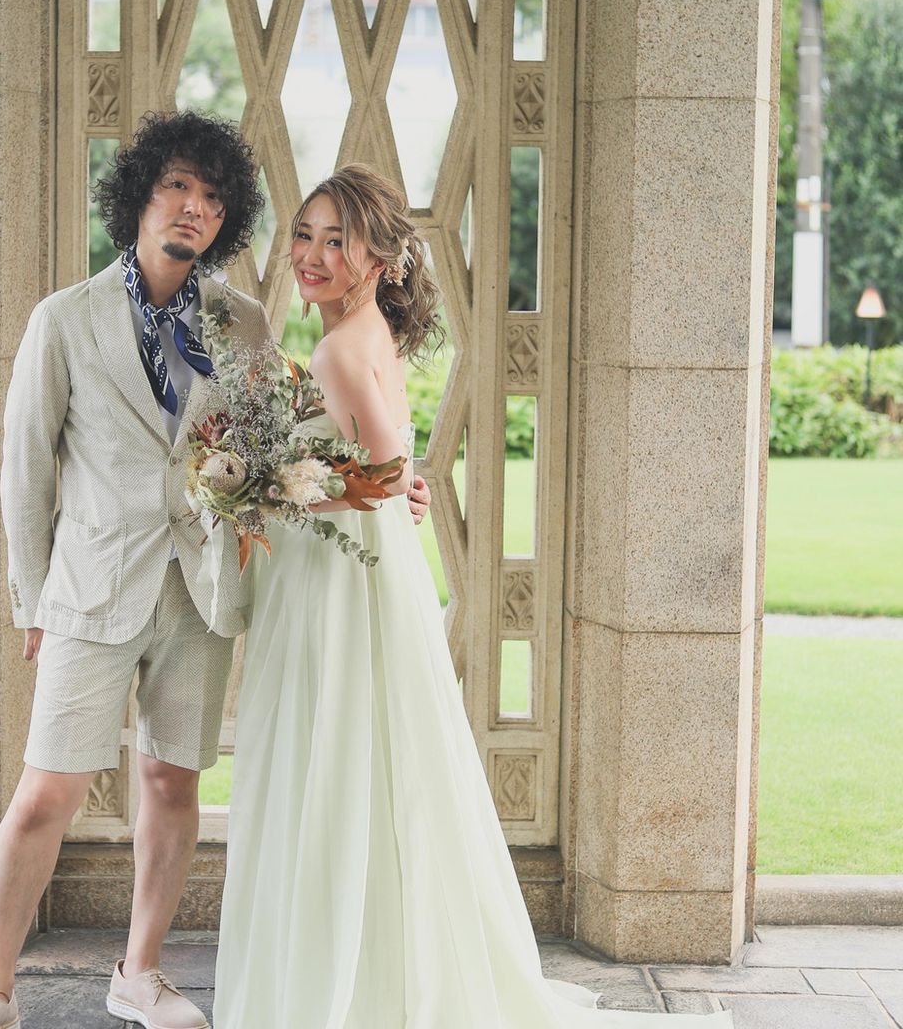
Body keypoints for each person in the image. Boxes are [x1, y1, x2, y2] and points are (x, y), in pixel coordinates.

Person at [213, 165, 733, 1028]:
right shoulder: (365, 333)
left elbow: (382, 474)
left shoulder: (339, 348)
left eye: (337, 241)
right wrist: (341, 480)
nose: (311, 254)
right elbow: (388, 469)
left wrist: (265, 486)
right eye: (304, 234)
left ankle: (335, 984)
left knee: (333, 756)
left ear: (379, 259)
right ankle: (370, 965)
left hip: (336, 592)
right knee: (367, 761)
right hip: (357, 574)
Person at [0, 115, 430, 1029]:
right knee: (46, 792)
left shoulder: (243, 322)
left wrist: (389, 484)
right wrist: (31, 601)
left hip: (202, 592)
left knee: (172, 784)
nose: (193, 208)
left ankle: (140, 974)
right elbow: (25, 469)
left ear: (226, 215)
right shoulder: (64, 319)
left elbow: (293, 445)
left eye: (210, 196)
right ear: (140, 196)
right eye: (176, 187)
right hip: (89, 592)